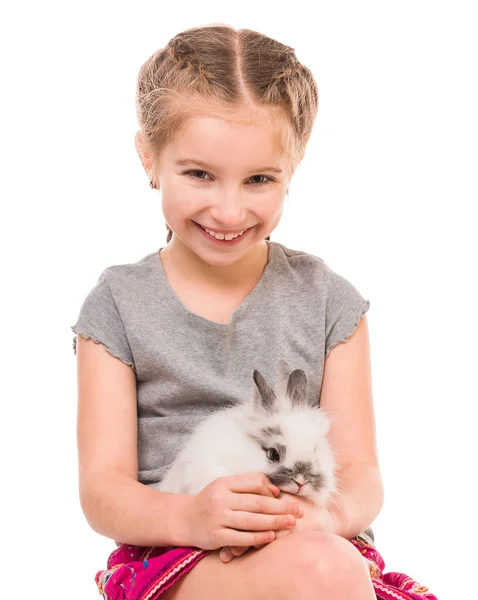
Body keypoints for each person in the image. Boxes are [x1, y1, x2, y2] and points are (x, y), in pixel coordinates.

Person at [71, 23, 438, 600]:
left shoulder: (328, 300)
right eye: (199, 174)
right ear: (148, 155)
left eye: (260, 179)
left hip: (317, 543)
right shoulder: (117, 305)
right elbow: (103, 490)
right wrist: (190, 517)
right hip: (179, 552)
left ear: (293, 168)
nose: (228, 208)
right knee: (320, 574)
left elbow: (362, 476)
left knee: (324, 567)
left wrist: (319, 523)